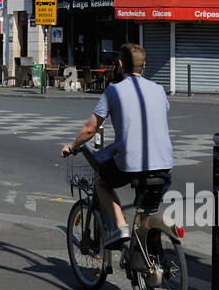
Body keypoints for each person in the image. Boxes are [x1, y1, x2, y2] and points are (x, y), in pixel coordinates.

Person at [61, 42, 173, 249]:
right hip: (164, 165)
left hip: (131, 163)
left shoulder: (114, 92)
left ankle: (120, 225)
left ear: (120, 64)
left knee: (102, 182)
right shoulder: (159, 90)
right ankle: (149, 264)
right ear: (144, 65)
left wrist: (73, 145)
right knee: (146, 211)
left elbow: (90, 129)